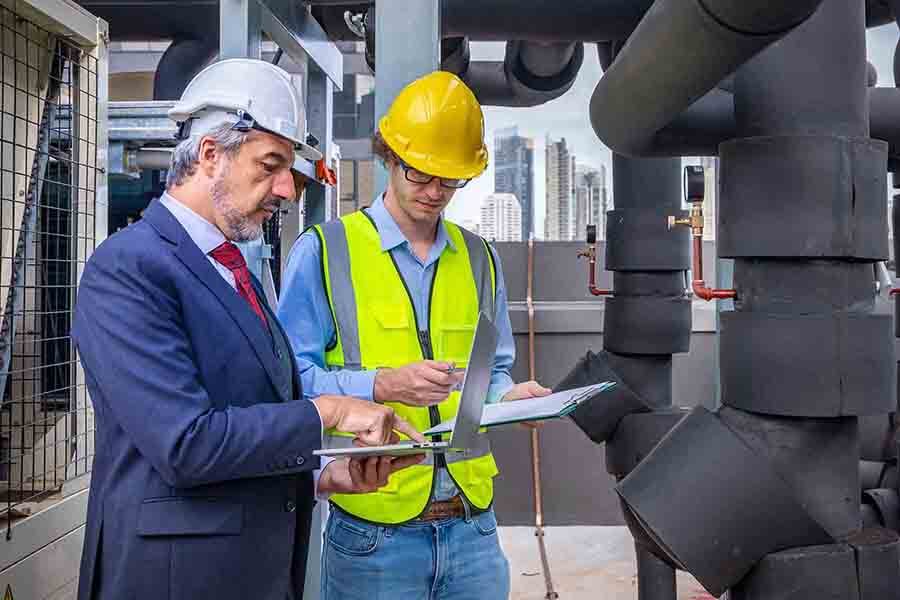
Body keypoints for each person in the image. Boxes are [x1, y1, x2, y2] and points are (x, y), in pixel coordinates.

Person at [72, 59, 424, 600]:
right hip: (175, 581)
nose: (286, 188)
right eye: (270, 165)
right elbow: (186, 444)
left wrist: (322, 475)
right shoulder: (129, 269)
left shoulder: (237, 268)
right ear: (210, 155)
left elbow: (253, 409)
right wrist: (327, 412)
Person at [277, 70, 551, 600]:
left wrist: (511, 398)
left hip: (473, 527)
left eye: (448, 180)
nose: (433, 192)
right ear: (389, 156)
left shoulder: (481, 260)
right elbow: (293, 382)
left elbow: (490, 372)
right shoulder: (325, 252)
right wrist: (381, 385)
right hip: (374, 534)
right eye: (419, 174)